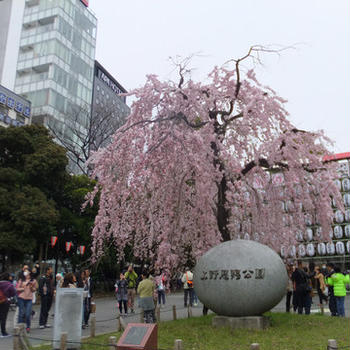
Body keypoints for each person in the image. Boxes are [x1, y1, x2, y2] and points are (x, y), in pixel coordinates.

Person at [16, 267, 38, 332]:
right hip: (21, 298)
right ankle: (20, 327)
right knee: (21, 313)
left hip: (29, 299)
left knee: (28, 314)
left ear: (29, 272)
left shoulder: (33, 280)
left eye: (26, 271)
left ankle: (28, 326)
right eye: (24, 271)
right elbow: (17, 288)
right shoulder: (21, 280)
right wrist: (23, 288)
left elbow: (34, 290)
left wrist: (31, 287)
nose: (25, 272)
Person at [0, 272, 16, 337]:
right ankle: (3, 332)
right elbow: (13, 293)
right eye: (10, 276)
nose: (11, 277)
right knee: (3, 317)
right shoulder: (9, 284)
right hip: (5, 301)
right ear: (8, 277)